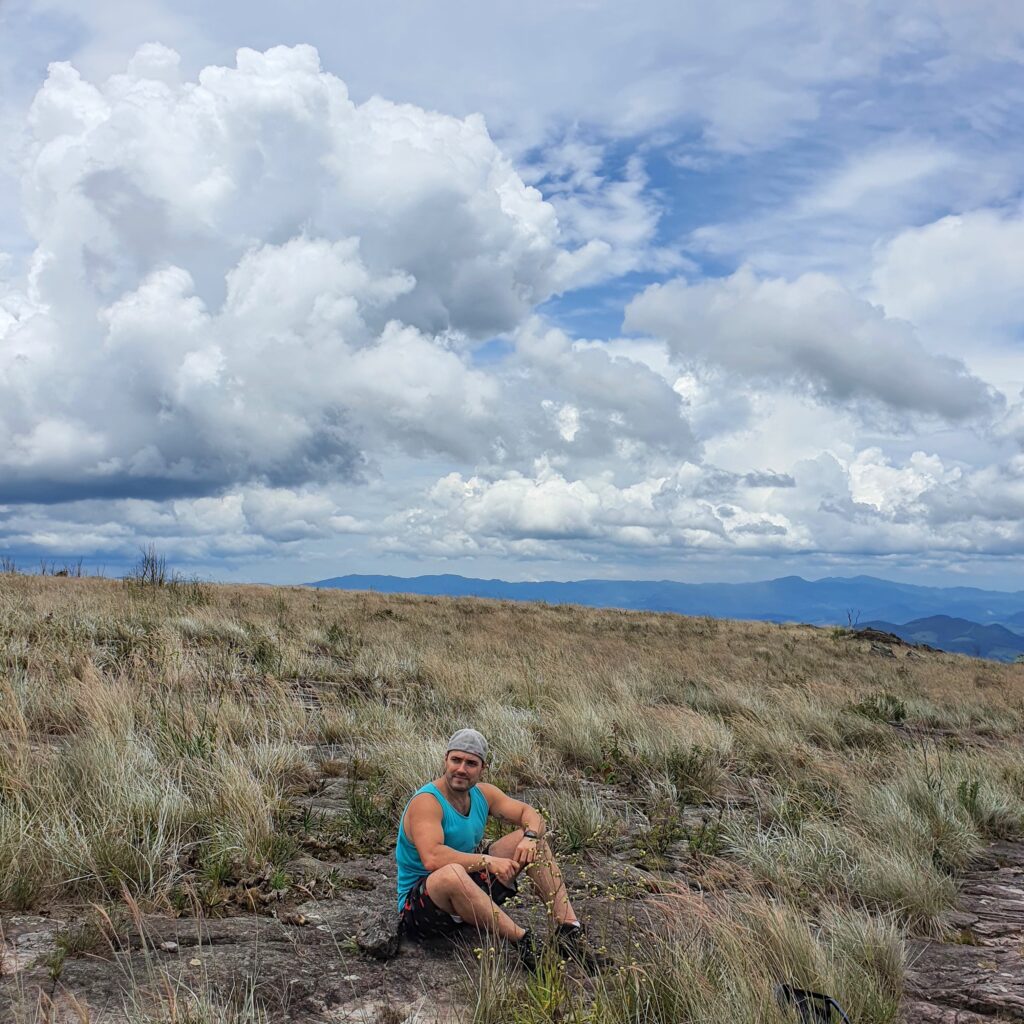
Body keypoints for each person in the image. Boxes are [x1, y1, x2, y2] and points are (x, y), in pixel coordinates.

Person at [395, 728, 607, 970]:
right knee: (451, 873)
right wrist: (488, 861)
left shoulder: (484, 794)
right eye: (456, 760)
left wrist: (529, 836)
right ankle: (525, 943)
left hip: (466, 897)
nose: (461, 769)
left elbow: (531, 814)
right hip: (422, 910)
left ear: (482, 768)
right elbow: (432, 858)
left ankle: (569, 932)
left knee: (533, 843)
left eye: (471, 763)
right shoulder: (427, 802)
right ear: (446, 760)